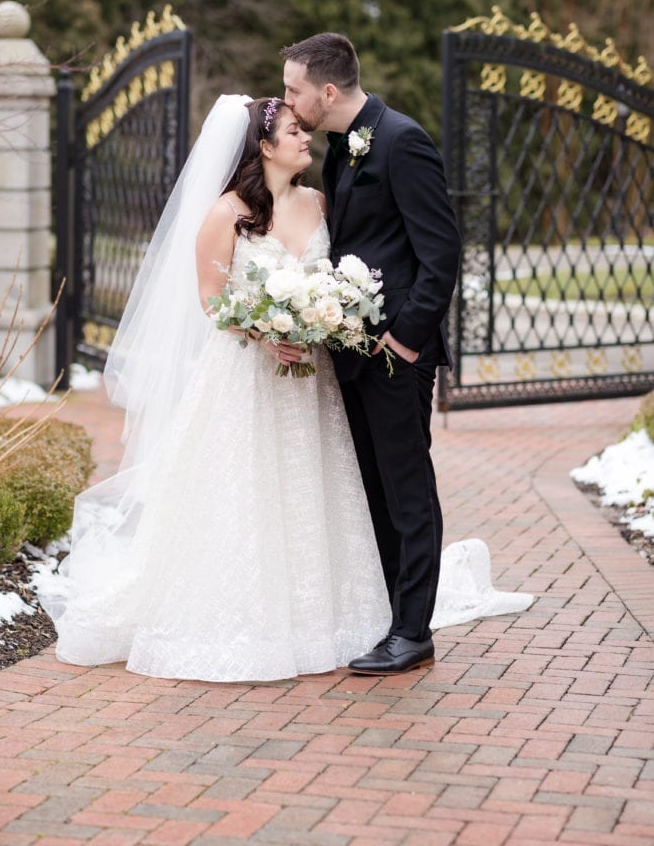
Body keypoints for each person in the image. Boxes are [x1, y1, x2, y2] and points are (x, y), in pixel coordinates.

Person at [39, 93, 533, 684]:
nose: (306, 138)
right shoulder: (226, 213)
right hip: (247, 375)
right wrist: (264, 330)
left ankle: (344, 614)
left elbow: (349, 271)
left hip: (315, 380)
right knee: (245, 489)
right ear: (264, 146)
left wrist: (318, 320)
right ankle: (250, 613)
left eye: (304, 127)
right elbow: (209, 299)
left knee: (321, 487)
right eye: (294, 131)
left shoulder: (321, 201)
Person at [282, 33, 463, 675]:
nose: (288, 100)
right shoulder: (342, 147)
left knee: (408, 490)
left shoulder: (401, 140)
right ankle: (391, 617)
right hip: (352, 352)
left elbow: (441, 254)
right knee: (376, 491)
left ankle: (413, 632)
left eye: (293, 90)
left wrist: (407, 339)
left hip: (396, 354)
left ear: (327, 92)